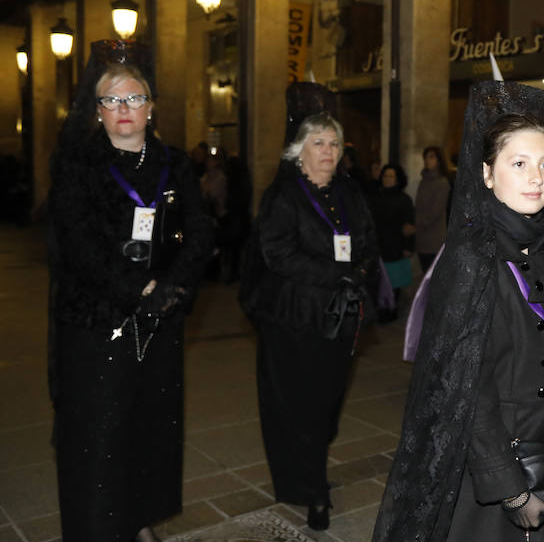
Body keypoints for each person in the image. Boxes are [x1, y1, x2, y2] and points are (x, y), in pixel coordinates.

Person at [373, 81, 544, 542]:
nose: (536, 178)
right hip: (491, 473)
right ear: (486, 174)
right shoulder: (470, 260)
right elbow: (465, 387)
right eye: (518, 164)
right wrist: (510, 489)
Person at [47, 39, 214, 541]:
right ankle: (100, 528)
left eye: (134, 98)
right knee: (99, 435)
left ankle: (137, 518)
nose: (124, 109)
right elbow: (79, 246)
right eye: (112, 100)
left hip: (158, 320)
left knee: (147, 426)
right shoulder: (77, 164)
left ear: (151, 106)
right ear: (96, 110)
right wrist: (139, 288)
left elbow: (201, 232)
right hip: (98, 324)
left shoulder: (174, 163)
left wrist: (170, 288)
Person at [239, 82, 378, 530]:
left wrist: (360, 273)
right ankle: (311, 488)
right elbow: (276, 252)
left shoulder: (350, 194)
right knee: (299, 402)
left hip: (339, 317)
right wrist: (336, 274)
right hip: (293, 318)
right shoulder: (284, 196)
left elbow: (369, 243)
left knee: (328, 401)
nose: (328, 151)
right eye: (318, 142)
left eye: (335, 143)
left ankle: (307, 470)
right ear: (299, 150)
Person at [371, 163, 416, 321]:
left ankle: (391, 310)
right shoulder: (375, 197)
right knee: (379, 281)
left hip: (396, 246)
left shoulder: (404, 199)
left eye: (391, 176)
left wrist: (408, 246)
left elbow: (410, 226)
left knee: (394, 281)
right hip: (379, 246)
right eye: (385, 175)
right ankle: (381, 310)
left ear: (397, 179)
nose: (387, 179)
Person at [414, 145, 452, 271]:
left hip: (434, 239)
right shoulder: (423, 181)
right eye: (426, 157)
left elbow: (435, 212)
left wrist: (416, 226)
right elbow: (418, 208)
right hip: (421, 238)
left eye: (431, 157)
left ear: (439, 161)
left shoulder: (442, 183)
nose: (427, 160)